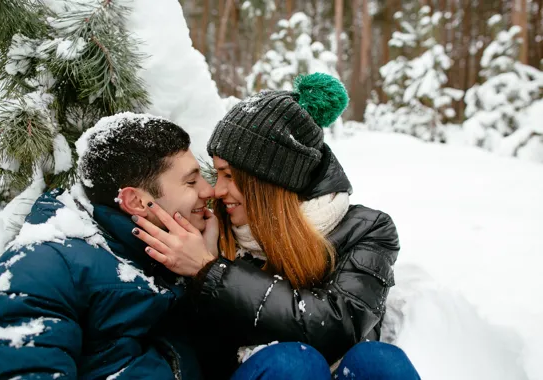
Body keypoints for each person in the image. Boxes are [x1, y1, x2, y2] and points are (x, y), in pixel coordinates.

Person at [130, 73, 421, 379]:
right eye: (217, 174)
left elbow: (336, 326)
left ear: (269, 180)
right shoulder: (213, 227)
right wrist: (204, 273)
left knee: (378, 361)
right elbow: (199, 352)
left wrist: (212, 271)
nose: (216, 191)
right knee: (291, 364)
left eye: (229, 176)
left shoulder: (367, 230)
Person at [0, 113, 216, 379]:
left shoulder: (169, 254)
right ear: (137, 202)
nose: (209, 191)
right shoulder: (45, 265)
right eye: (191, 181)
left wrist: (207, 273)